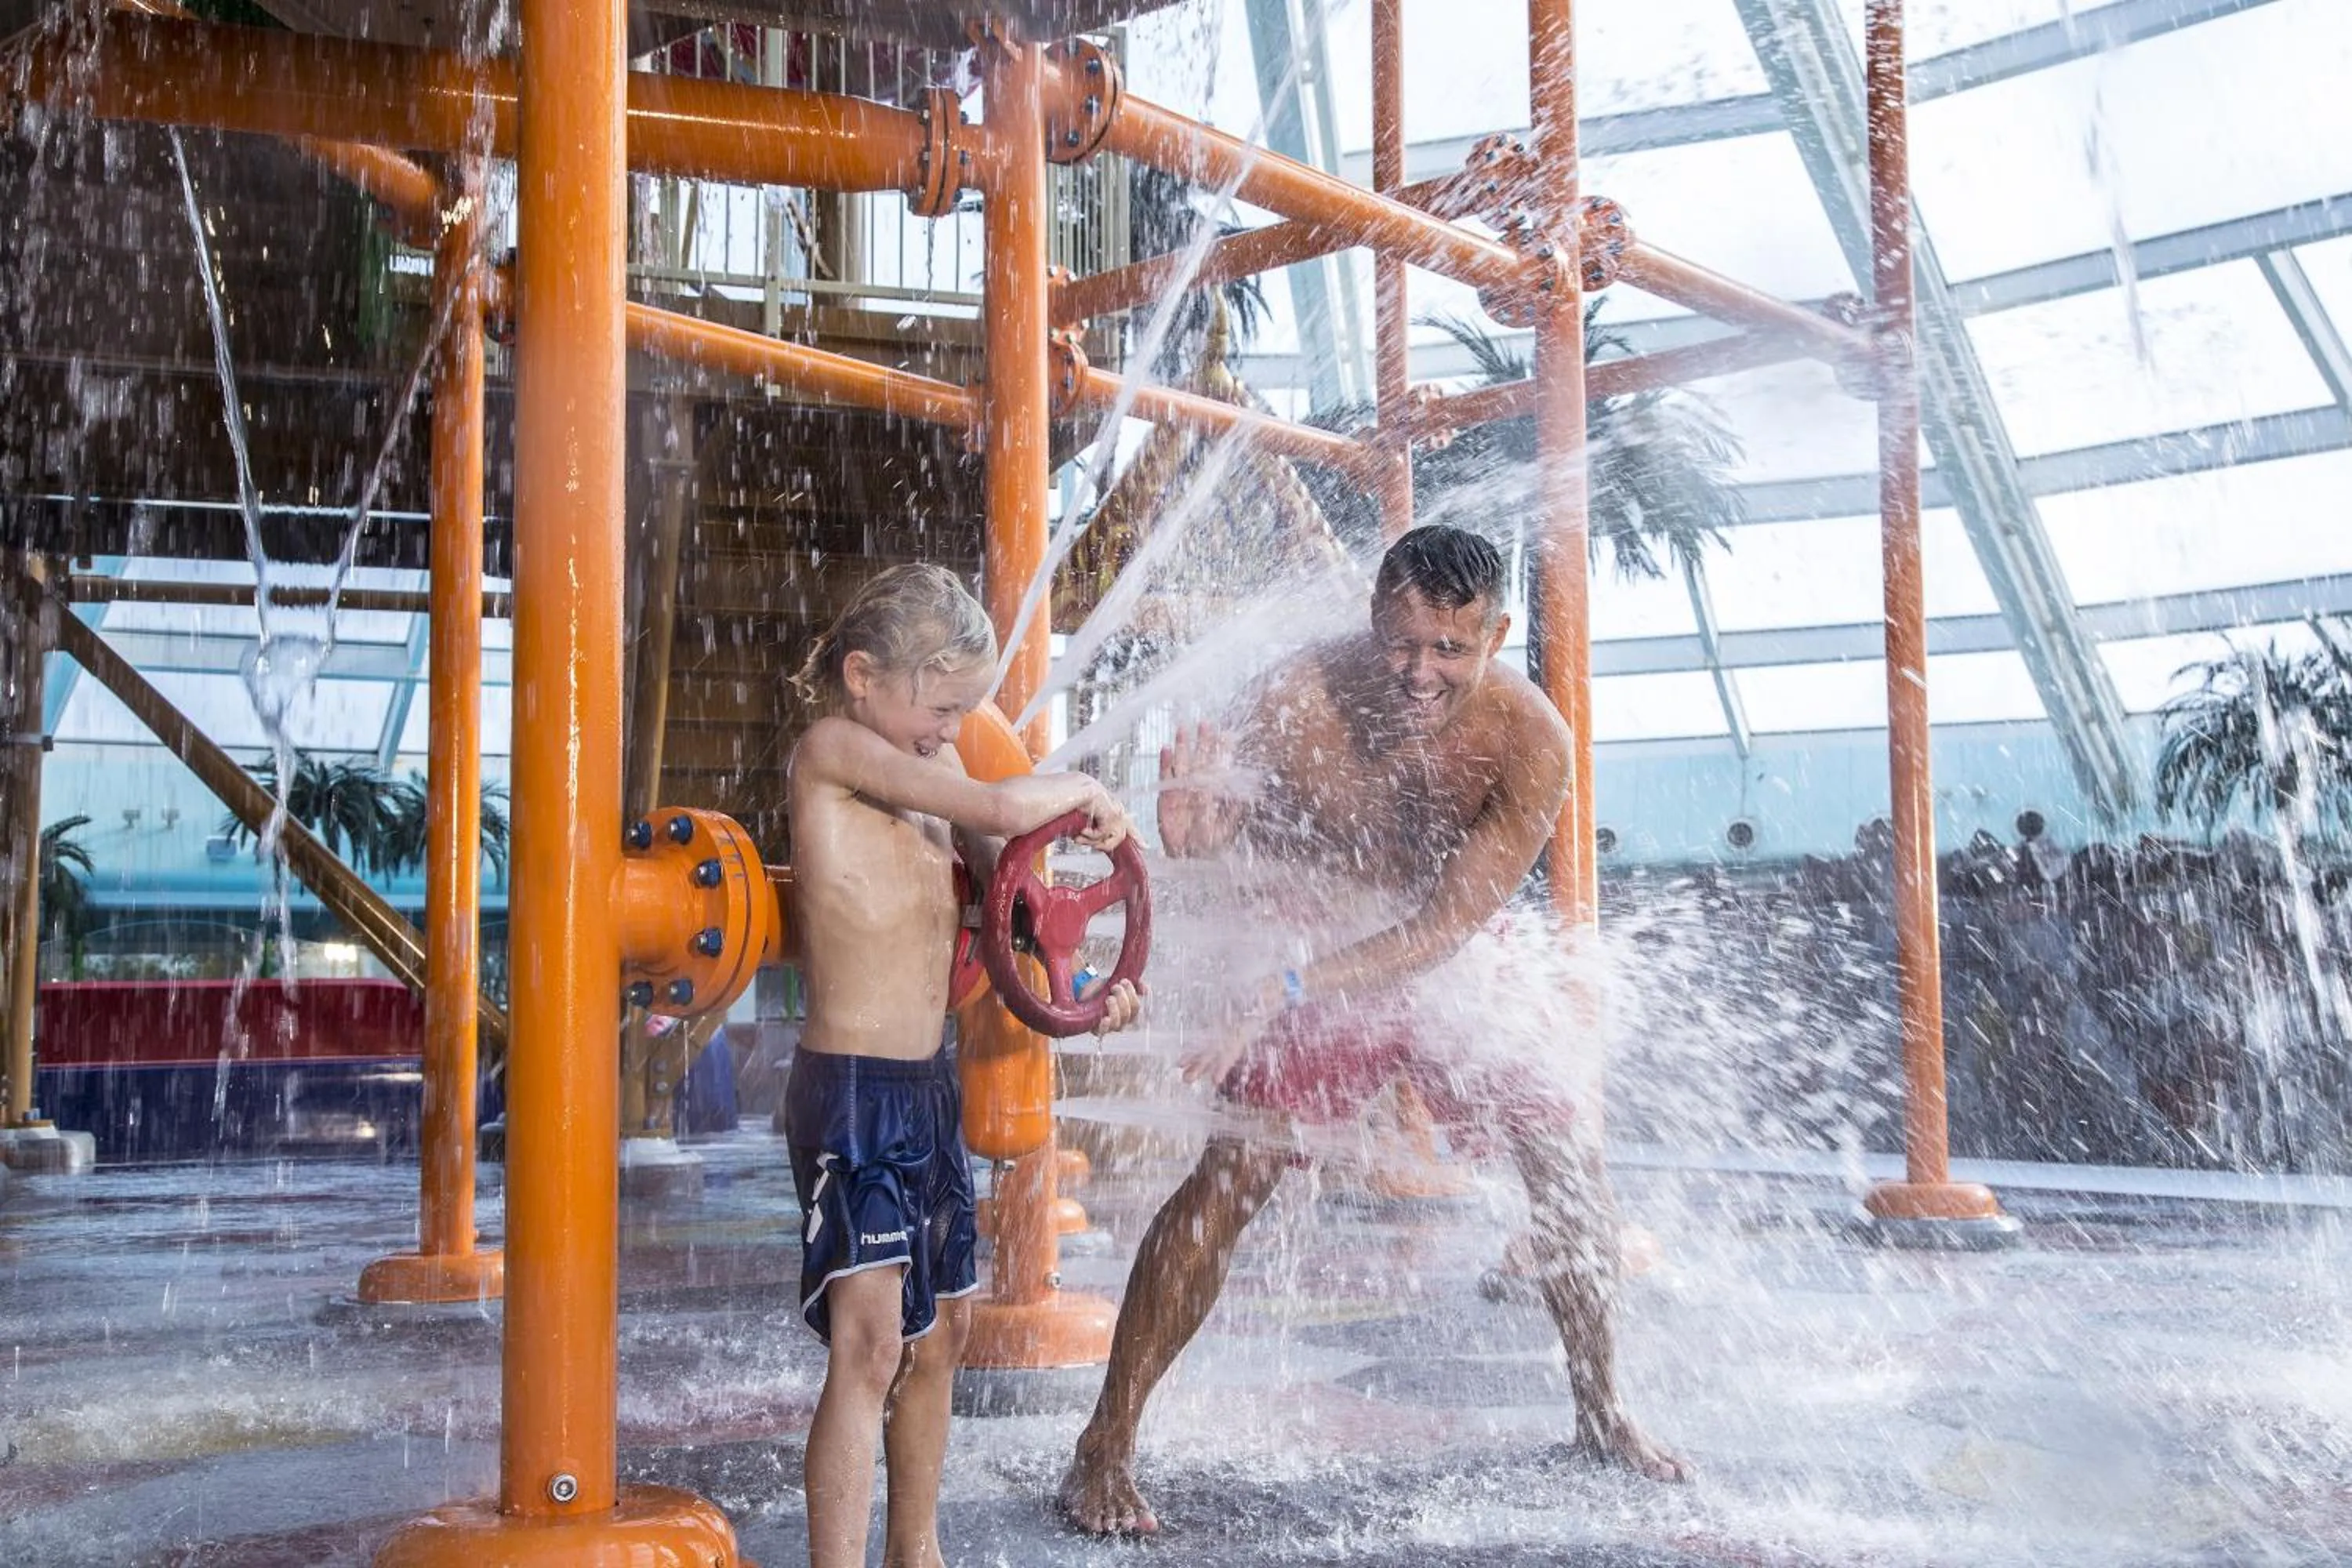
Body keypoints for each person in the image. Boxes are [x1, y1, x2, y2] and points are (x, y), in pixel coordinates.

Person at [1058, 525, 1688, 1537]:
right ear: (1372, 619)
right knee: (1232, 1177)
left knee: (1566, 1160)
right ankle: (1105, 1445)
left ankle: (1600, 1406)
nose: (1421, 672)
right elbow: (1205, 836)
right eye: (1403, 643)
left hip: (1429, 960)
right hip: (1304, 930)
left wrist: (1296, 985)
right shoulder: (1292, 696)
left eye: (1451, 649)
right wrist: (1195, 834)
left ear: (1498, 634)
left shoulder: (1532, 741)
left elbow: (1445, 929)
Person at [786, 562, 1142, 1568]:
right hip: (851, 1090)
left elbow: (1026, 918)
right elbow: (1000, 803)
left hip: (925, 1091)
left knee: (939, 1337)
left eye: (964, 709)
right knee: (868, 1347)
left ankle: (918, 1550)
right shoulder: (837, 752)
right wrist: (1078, 791)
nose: (950, 727)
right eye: (941, 706)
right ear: (864, 674)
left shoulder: (933, 799)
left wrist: (1088, 993)